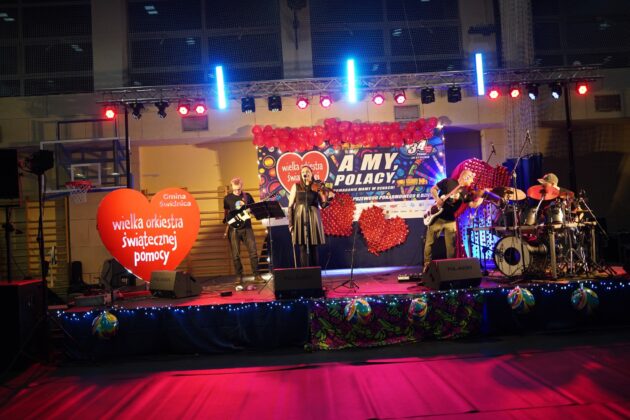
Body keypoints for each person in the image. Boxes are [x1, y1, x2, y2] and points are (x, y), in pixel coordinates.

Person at [423, 169, 483, 271]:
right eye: (471, 179)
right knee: (429, 243)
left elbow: (473, 205)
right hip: (437, 218)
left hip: (450, 220)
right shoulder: (448, 181)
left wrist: (482, 197)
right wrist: (437, 199)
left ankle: (450, 268)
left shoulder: (465, 192)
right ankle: (427, 266)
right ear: (465, 177)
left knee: (451, 247)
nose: (472, 181)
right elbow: (433, 189)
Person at [223, 177, 264, 289]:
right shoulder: (227, 198)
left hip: (247, 227)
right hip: (234, 229)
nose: (237, 191)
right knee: (236, 254)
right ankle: (239, 276)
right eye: (235, 189)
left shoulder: (247, 196)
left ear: (242, 186)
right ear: (232, 187)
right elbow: (226, 213)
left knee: (253, 252)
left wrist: (251, 210)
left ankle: (257, 275)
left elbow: (254, 210)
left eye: (239, 189)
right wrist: (229, 221)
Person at [287, 165, 331, 267]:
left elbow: (323, 205)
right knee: (302, 246)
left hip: (313, 218)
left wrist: (328, 198)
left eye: (307, 171)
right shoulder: (296, 186)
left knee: (313, 247)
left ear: (312, 173)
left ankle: (315, 272)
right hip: (300, 218)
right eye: (303, 172)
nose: (305, 173)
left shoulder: (317, 186)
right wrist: (290, 224)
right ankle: (304, 272)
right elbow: (290, 206)